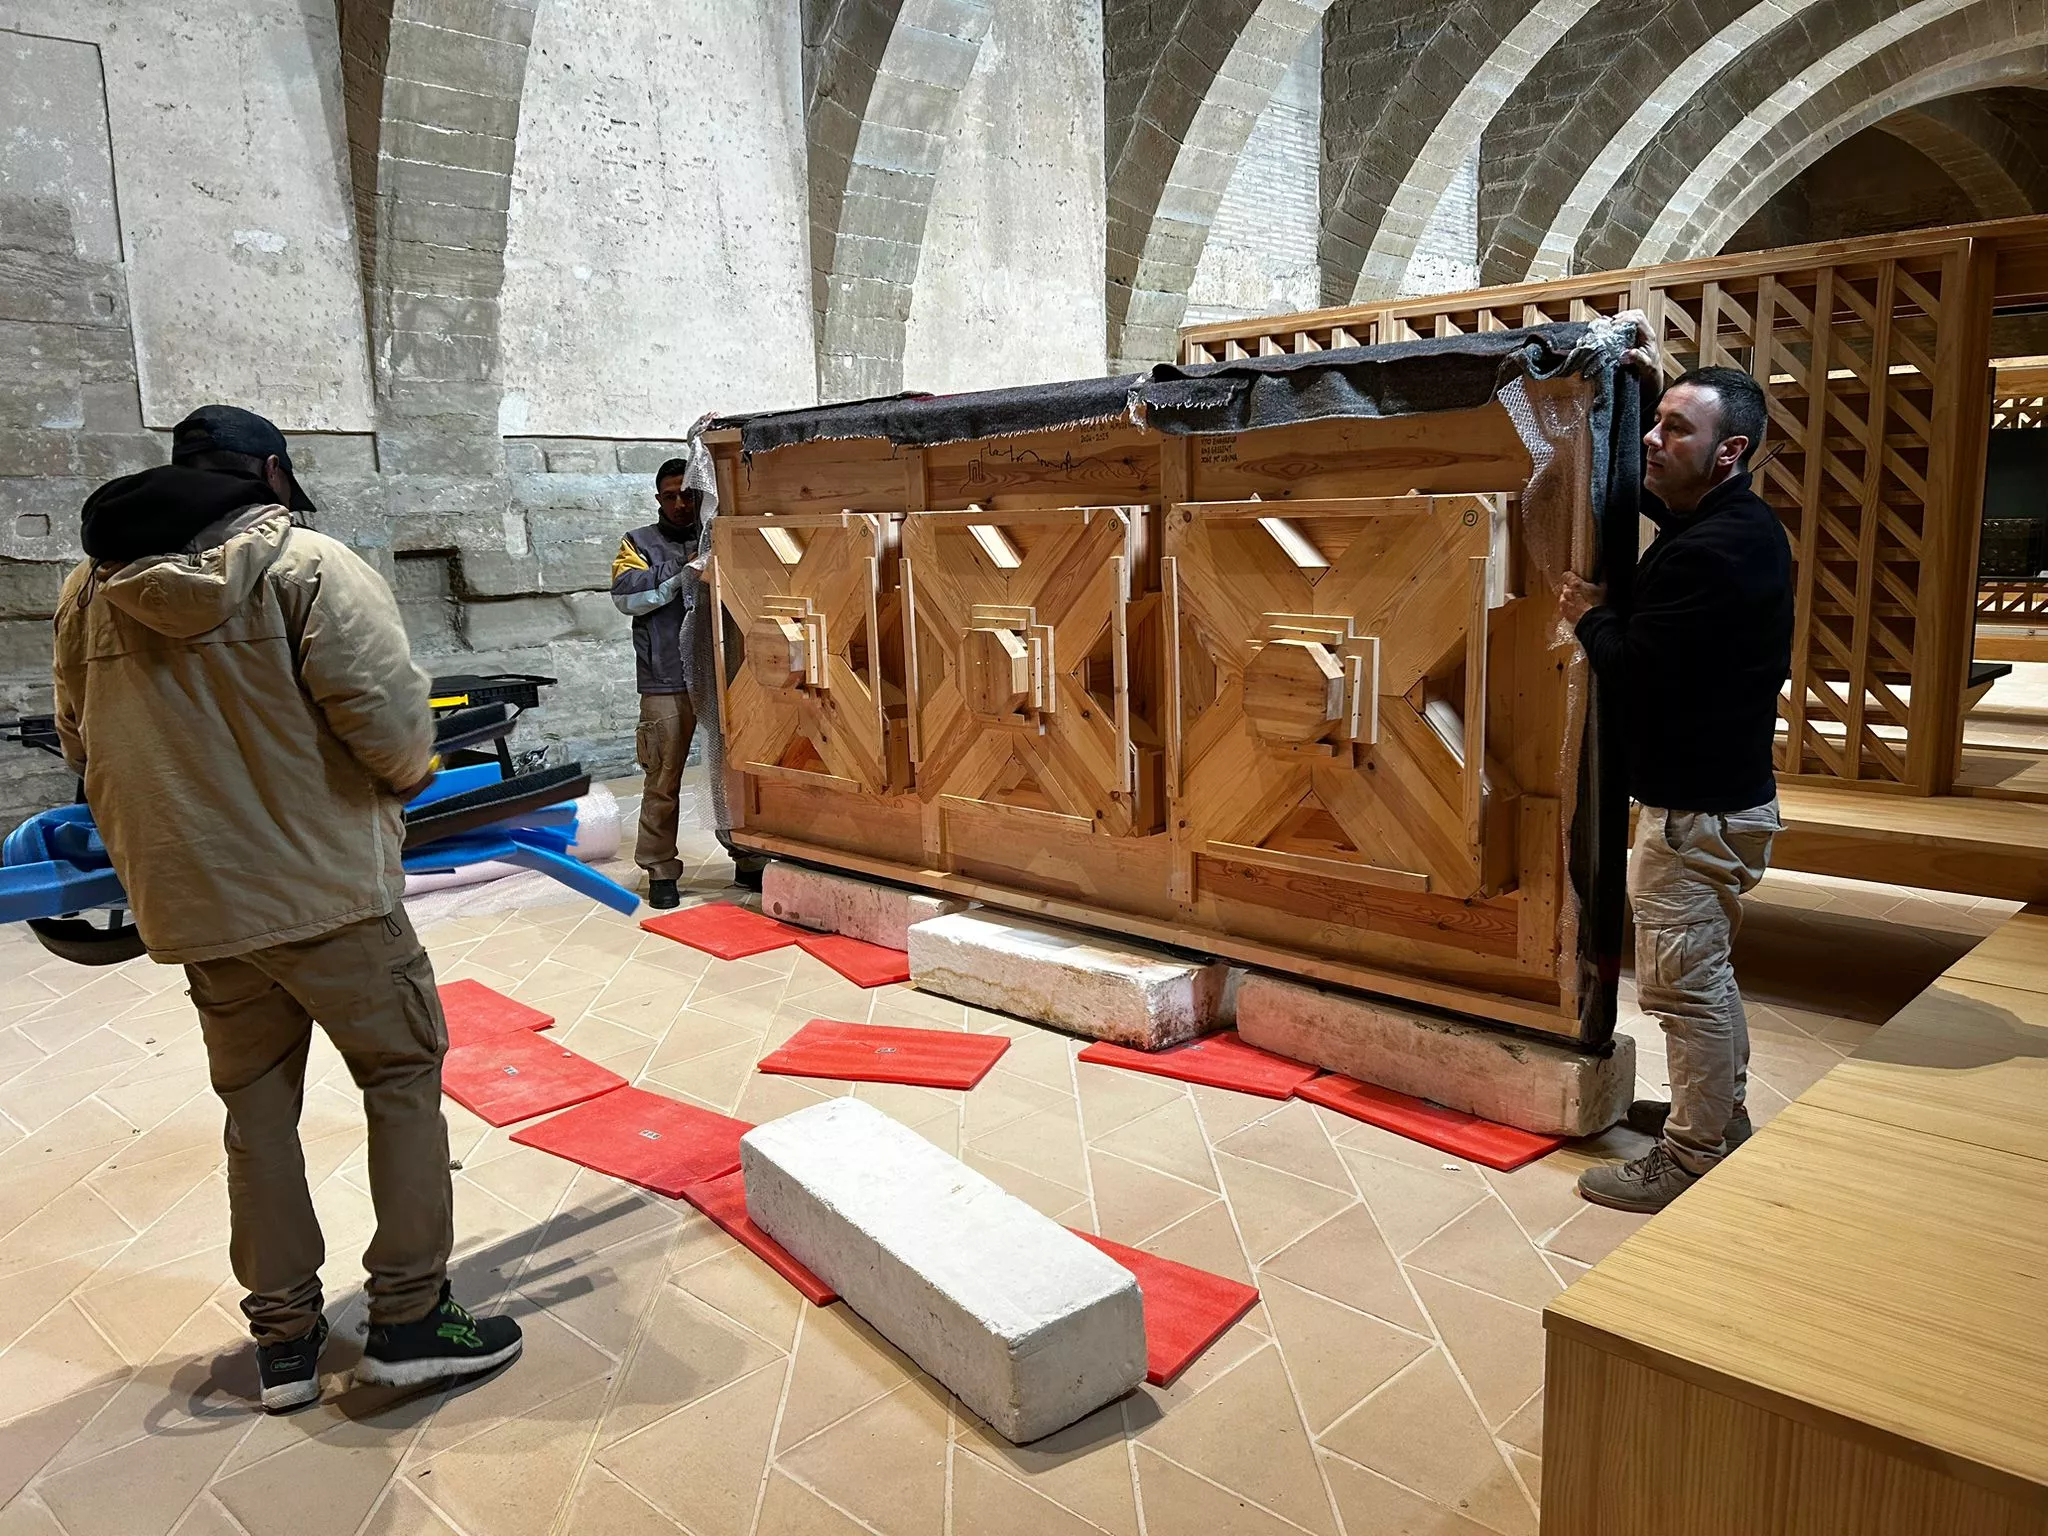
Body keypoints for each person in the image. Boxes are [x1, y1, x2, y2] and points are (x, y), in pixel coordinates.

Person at [51, 405, 522, 1411]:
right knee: (399, 1076)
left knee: (256, 1109)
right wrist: (404, 781)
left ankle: (284, 1339)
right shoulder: (308, 565)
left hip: (196, 906)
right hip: (328, 896)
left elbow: (78, 742)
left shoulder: (89, 588)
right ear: (271, 472)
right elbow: (391, 728)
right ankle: (411, 1321)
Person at [1560, 362, 1794, 1214]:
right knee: (1705, 973)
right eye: (1652, 423)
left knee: (1683, 988)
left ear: (1730, 450)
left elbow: (1634, 667)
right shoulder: (1734, 523)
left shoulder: (1715, 554)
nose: (1654, 441)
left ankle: (1691, 1158)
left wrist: (1587, 615)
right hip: (1723, 800)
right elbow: (1662, 507)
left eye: (1675, 429)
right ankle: (1718, 1116)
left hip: (1696, 813)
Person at [611, 460, 705, 909]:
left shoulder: (718, 535)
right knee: (663, 777)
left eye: (687, 494)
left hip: (723, 675)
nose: (680, 503)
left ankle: (747, 854)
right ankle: (660, 868)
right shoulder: (638, 542)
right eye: (670, 496)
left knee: (738, 777)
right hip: (665, 679)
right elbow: (627, 595)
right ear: (658, 500)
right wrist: (682, 568)